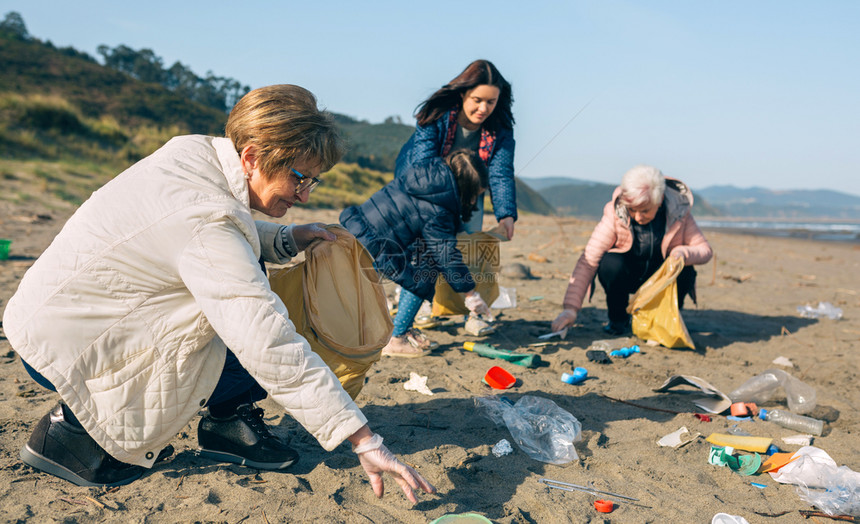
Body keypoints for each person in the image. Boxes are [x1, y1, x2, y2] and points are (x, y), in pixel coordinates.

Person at [3, 85, 435, 503]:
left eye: (314, 182)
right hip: (68, 349)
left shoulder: (196, 153)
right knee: (266, 321)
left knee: (254, 290)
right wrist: (362, 439)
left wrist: (287, 237)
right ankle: (71, 432)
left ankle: (227, 424)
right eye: (299, 178)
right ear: (251, 156)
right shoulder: (207, 221)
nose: (304, 194)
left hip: (54, 319)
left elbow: (213, 230)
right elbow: (264, 336)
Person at [340, 149, 493, 357]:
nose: (474, 202)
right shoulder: (438, 208)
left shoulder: (423, 175)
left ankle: (402, 329)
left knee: (423, 261)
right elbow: (445, 254)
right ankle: (396, 339)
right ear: (465, 189)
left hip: (357, 232)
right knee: (423, 275)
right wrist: (471, 294)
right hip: (373, 248)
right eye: (475, 195)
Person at [551, 165, 713, 336]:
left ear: (660, 200)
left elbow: (705, 250)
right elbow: (589, 261)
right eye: (632, 210)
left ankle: (662, 319)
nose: (638, 217)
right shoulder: (614, 213)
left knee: (685, 269)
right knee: (609, 263)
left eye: (645, 210)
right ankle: (618, 320)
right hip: (627, 278)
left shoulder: (679, 213)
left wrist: (683, 253)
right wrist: (570, 309)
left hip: (660, 282)